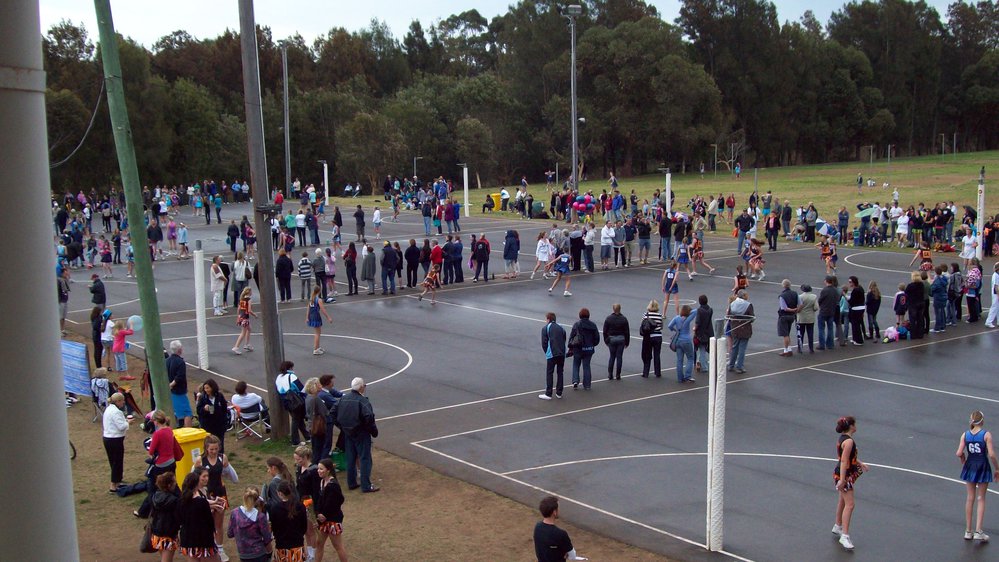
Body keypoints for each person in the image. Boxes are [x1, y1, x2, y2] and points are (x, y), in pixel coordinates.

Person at [957, 410, 998, 542]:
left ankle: (968, 531)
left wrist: (963, 459)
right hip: (982, 465)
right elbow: (991, 454)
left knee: (970, 498)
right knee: (981, 498)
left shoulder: (965, 434)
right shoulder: (986, 435)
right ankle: (978, 531)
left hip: (970, 465)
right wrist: (997, 468)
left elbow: (959, 452)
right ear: (982, 420)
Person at [136, 410, 184, 519]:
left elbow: (151, 451)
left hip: (161, 464)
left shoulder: (157, 434)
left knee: (153, 488)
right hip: (171, 462)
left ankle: (149, 511)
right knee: (173, 485)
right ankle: (182, 504)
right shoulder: (169, 430)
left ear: (156, 421)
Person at [832, 416, 870, 551]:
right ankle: (845, 536)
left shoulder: (843, 439)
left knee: (842, 500)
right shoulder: (849, 442)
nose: (856, 426)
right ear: (851, 426)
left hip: (842, 473)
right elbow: (843, 461)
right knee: (850, 504)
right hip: (845, 475)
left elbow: (848, 457)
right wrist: (843, 480)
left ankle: (838, 526)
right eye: (855, 424)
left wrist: (860, 463)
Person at [337, 377, 380, 493]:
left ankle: (351, 482)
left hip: (348, 433)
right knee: (365, 458)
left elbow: (333, 413)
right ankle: (366, 485)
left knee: (350, 458)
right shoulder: (363, 401)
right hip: (361, 433)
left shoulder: (343, 399)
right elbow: (369, 417)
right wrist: (373, 431)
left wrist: (342, 427)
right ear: (361, 387)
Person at [177, 469, 225, 561]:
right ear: (196, 485)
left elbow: (181, 517)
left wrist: (213, 504)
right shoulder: (201, 502)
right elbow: (209, 521)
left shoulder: (181, 500)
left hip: (187, 539)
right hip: (203, 539)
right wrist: (215, 509)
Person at [313, 458, 349, 562]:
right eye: (318, 468)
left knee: (338, 546)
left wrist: (324, 515)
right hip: (323, 520)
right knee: (319, 543)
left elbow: (336, 502)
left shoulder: (333, 485)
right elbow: (320, 501)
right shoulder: (322, 482)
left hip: (333, 520)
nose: (319, 471)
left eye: (321, 469)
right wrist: (318, 514)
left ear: (328, 470)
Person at [266, 480, 308, 562]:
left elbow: (274, 528)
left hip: (281, 547)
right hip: (297, 546)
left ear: (280, 493)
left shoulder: (275, 509)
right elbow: (304, 527)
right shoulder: (300, 506)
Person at [227, 487, 272, 562]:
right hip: (259, 554)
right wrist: (270, 553)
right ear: (256, 500)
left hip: (243, 554)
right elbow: (267, 538)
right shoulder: (260, 517)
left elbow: (230, 534)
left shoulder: (235, 513)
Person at [102, 391, 132, 493]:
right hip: (115, 439)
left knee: (113, 461)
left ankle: (117, 482)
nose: (123, 402)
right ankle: (113, 485)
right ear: (118, 401)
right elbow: (121, 426)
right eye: (122, 401)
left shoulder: (108, 409)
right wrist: (128, 423)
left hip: (107, 438)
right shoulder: (116, 412)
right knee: (117, 462)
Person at [533, 496, 577, 562]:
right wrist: (564, 553)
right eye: (558, 508)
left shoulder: (537, 527)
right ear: (554, 512)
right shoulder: (561, 534)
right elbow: (573, 556)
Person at [276, 361, 310, 446]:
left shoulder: (278, 377)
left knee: (298, 419)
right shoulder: (292, 376)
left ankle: (307, 437)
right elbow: (301, 389)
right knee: (296, 420)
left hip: (286, 401)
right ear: (290, 368)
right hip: (296, 401)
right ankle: (295, 441)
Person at [150, 472, 181, 562]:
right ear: (169, 485)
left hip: (156, 532)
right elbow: (178, 517)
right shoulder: (174, 500)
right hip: (169, 534)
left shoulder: (155, 496)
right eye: (174, 482)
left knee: (164, 557)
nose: (175, 484)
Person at [568, 308, 600, 390]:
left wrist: (570, 347)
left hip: (578, 348)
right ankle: (587, 385)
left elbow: (572, 337)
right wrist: (592, 344)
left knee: (576, 364)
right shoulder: (593, 325)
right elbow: (597, 338)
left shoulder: (577, 324)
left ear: (580, 315)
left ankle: (575, 381)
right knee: (586, 366)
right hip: (589, 349)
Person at [196, 380, 229, 454]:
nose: (206, 390)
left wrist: (224, 421)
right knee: (208, 444)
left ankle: (220, 457)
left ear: (212, 387)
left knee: (220, 443)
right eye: (205, 388)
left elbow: (224, 409)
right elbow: (198, 411)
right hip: (208, 426)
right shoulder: (202, 398)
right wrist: (204, 409)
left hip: (219, 426)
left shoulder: (219, 396)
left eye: (207, 388)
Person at [539, 312, 567, 400]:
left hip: (552, 353)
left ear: (548, 319)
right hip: (561, 353)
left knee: (550, 372)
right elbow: (564, 339)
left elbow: (544, 343)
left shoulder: (545, 328)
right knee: (560, 372)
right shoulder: (561, 327)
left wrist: (547, 352)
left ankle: (548, 393)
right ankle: (559, 392)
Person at [726, 290, 755, 374]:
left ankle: (731, 365)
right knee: (742, 348)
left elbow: (728, 315)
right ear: (744, 296)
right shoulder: (748, 305)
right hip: (745, 329)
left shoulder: (732, 304)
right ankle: (739, 366)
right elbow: (752, 317)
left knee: (734, 347)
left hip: (735, 328)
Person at [305, 378, 331, 464]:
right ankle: (318, 465)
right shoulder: (315, 399)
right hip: (318, 427)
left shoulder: (309, 397)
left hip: (312, 426)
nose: (321, 386)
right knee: (320, 448)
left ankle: (315, 464)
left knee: (316, 448)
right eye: (319, 384)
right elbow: (323, 412)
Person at [167, 340, 193, 427]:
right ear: (179, 350)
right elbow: (179, 377)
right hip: (179, 391)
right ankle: (188, 431)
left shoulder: (167, 361)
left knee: (175, 411)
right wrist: (171, 385)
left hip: (171, 392)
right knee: (187, 412)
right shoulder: (180, 362)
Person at [602, 304, 630, 381]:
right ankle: (618, 374)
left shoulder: (608, 318)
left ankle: (610, 374)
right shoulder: (624, 319)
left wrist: (606, 340)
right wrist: (627, 342)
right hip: (621, 339)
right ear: (620, 309)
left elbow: (605, 331)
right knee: (619, 357)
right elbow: (627, 332)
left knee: (612, 356)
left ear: (613, 309)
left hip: (612, 339)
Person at [639, 300, 664, 378]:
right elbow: (661, 327)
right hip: (658, 336)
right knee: (657, 354)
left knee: (647, 355)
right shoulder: (660, 315)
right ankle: (658, 372)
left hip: (649, 337)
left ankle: (645, 373)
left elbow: (642, 325)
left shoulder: (646, 315)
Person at [306, 286, 333, 355]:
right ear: (319, 291)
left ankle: (317, 347)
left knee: (317, 332)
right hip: (316, 316)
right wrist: (328, 317)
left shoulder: (311, 298)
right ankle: (316, 349)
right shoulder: (318, 300)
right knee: (317, 333)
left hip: (312, 316)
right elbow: (323, 309)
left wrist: (307, 317)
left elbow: (308, 308)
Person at [777, 279, 799, 357]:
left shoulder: (782, 296)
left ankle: (786, 350)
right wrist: (796, 310)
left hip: (784, 316)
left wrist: (792, 310)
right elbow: (800, 304)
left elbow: (784, 308)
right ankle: (789, 349)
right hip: (792, 316)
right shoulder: (795, 293)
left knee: (785, 334)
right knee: (788, 333)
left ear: (783, 285)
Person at [232, 287, 257, 354]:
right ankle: (236, 347)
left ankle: (247, 344)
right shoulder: (249, 300)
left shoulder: (242, 299)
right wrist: (254, 315)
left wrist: (238, 316)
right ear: (249, 292)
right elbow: (249, 310)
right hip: (245, 317)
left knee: (249, 329)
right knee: (243, 333)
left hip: (241, 316)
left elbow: (238, 309)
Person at [796, 284, 818, 353]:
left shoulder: (800, 297)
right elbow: (816, 308)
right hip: (810, 318)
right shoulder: (814, 296)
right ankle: (811, 348)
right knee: (810, 334)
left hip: (801, 317)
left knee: (800, 334)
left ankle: (800, 348)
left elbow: (797, 306)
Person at [904, 271, 926, 338]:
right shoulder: (921, 284)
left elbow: (906, 294)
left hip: (913, 304)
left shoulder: (910, 286)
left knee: (912, 320)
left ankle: (913, 334)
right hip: (921, 303)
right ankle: (920, 334)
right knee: (920, 319)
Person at [986, 262, 999, 328]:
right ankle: (988, 322)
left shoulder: (996, 274)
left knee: (997, 307)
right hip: (996, 294)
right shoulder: (996, 275)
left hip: (996, 293)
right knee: (994, 307)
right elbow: (996, 287)